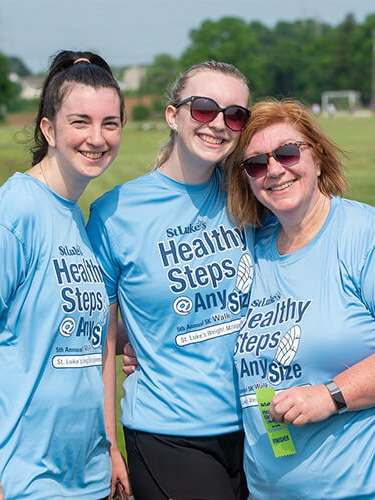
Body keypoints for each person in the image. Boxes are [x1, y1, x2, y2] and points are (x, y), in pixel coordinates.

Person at [0, 51, 129, 499]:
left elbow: (87, 340)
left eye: (110, 123)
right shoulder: (11, 215)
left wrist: (108, 447)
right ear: (48, 129)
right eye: (80, 122)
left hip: (80, 473)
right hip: (11, 472)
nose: (97, 138)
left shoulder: (78, 221)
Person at [222, 99, 375, 498]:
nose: (274, 169)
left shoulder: (372, 236)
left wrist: (331, 396)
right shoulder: (251, 253)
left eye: (287, 152)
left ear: (317, 156)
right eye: (257, 164)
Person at [86, 61, 253, 499]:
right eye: (203, 109)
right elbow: (101, 337)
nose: (218, 124)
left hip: (260, 422)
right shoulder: (115, 212)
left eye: (234, 115)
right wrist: (107, 445)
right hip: (169, 432)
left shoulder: (249, 190)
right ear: (173, 116)